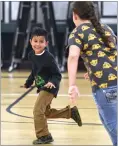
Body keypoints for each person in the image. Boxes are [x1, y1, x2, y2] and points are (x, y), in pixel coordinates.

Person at [67, 2, 117, 146]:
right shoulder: (107, 29)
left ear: (75, 15)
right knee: (108, 122)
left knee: (112, 124)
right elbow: (113, 54)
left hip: (104, 87)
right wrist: (94, 70)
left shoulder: (77, 32)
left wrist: (72, 85)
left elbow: (73, 56)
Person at [23, 26, 82, 144]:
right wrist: (29, 82)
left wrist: (52, 82)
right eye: (35, 41)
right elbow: (35, 71)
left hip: (49, 88)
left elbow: (57, 74)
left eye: (41, 42)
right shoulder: (31, 55)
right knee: (46, 113)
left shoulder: (49, 58)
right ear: (30, 42)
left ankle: (44, 136)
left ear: (46, 43)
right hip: (41, 87)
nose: (37, 44)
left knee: (37, 111)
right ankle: (70, 112)